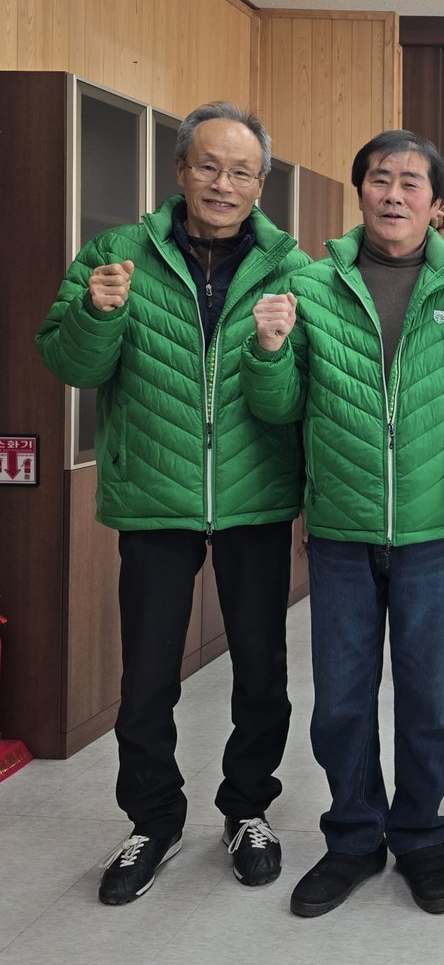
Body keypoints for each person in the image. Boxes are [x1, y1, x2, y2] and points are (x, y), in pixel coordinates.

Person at [36, 102, 309, 904]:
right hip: (155, 494)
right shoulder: (116, 255)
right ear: (181, 169)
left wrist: (272, 349)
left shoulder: (291, 268)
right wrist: (97, 313)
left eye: (241, 171)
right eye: (209, 166)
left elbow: (294, 398)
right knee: (149, 673)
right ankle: (152, 819)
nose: (223, 184)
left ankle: (247, 808)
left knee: (262, 669)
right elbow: (72, 366)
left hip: (257, 497)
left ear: (261, 184)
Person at [239, 130, 444, 918]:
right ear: (360, 192)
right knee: (342, 702)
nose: (394, 194)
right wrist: (268, 350)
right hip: (342, 532)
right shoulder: (311, 285)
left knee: (435, 699)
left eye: (411, 182)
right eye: (381, 179)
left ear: (436, 201)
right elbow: (279, 408)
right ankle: (354, 837)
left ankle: (419, 834)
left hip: (439, 530)